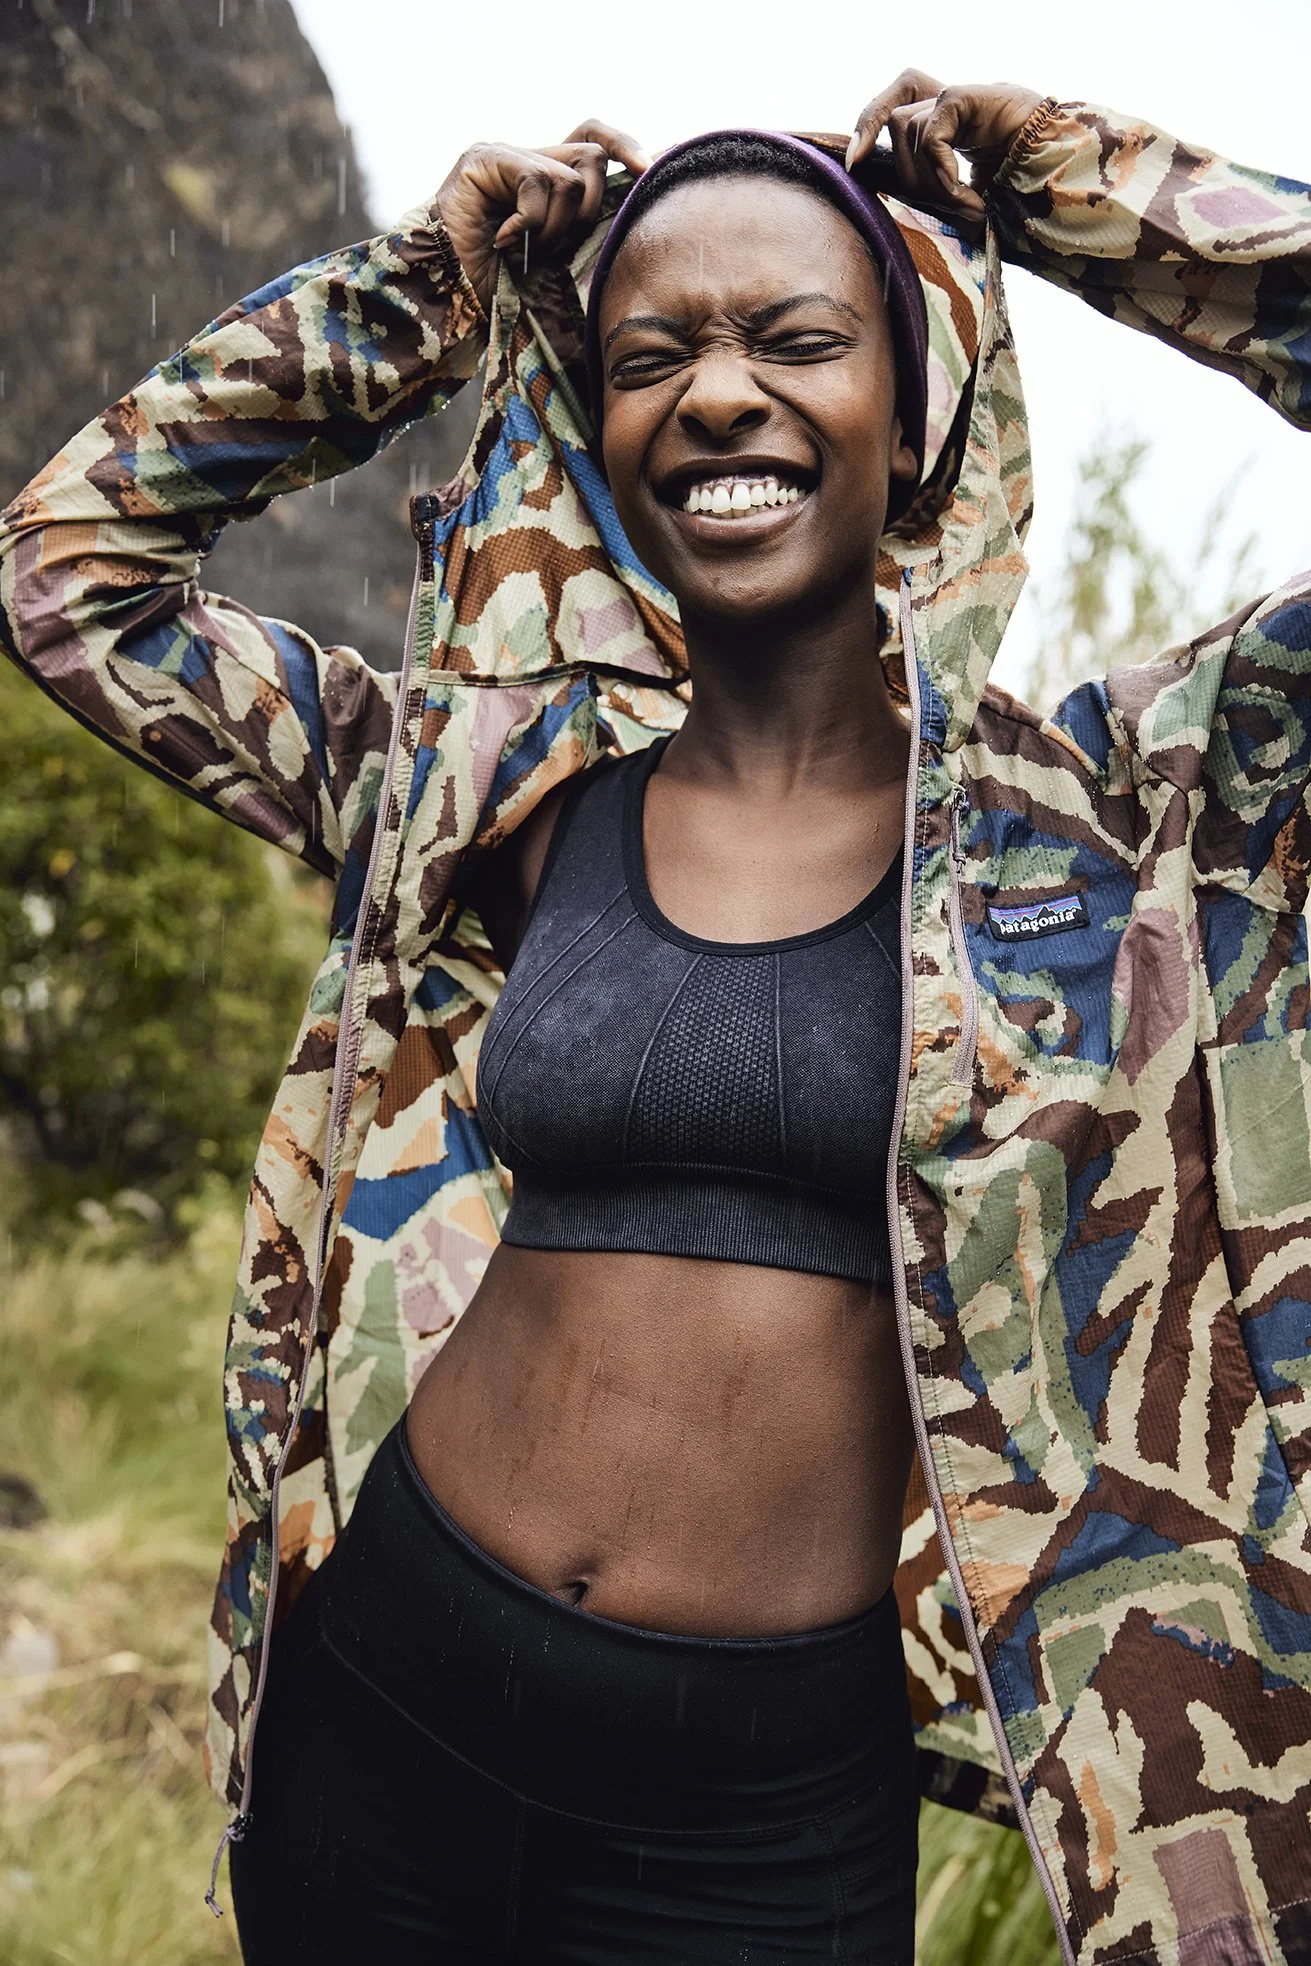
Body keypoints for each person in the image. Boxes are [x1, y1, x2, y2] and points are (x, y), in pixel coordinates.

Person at [3, 67, 1311, 1966]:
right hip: (398, 1685)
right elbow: (71, 574)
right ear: (595, 420)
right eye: (649, 354)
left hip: (762, 1804)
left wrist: (1086, 195)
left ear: (915, 405)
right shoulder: (488, 805)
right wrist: (420, 293)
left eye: (796, 337)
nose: (714, 393)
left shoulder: (1116, 817)